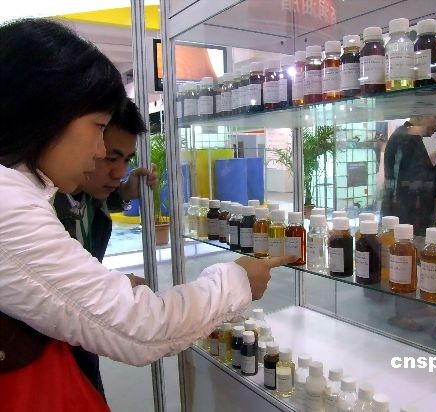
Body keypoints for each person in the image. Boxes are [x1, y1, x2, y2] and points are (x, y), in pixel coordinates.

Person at [0, 19, 293, 410]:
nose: (99, 152)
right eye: (98, 127)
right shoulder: (8, 204)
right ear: (46, 111)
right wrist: (237, 279)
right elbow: (141, 329)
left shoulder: (25, 193)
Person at [53, 99, 156, 400]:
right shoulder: (37, 212)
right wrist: (113, 286)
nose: (119, 172)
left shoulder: (85, 193)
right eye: (110, 157)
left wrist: (125, 192)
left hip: (82, 348)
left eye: (126, 160)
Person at [381, 115, 436, 236]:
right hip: (406, 217)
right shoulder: (406, 138)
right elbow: (409, 183)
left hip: (404, 215)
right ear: (420, 114)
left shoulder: (407, 136)